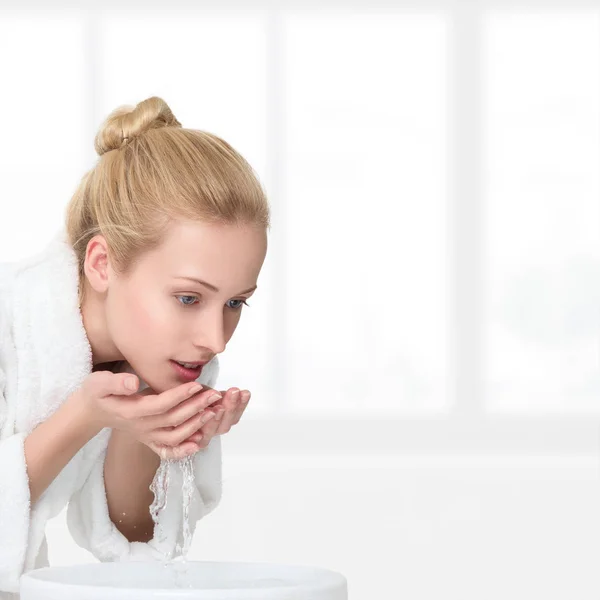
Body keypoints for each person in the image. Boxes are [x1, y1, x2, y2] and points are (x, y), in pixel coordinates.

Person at [0, 96, 269, 597]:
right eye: (188, 297)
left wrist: (149, 429)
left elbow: (135, 544)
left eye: (236, 303)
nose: (214, 340)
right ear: (102, 264)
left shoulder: (167, 357)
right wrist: (81, 416)